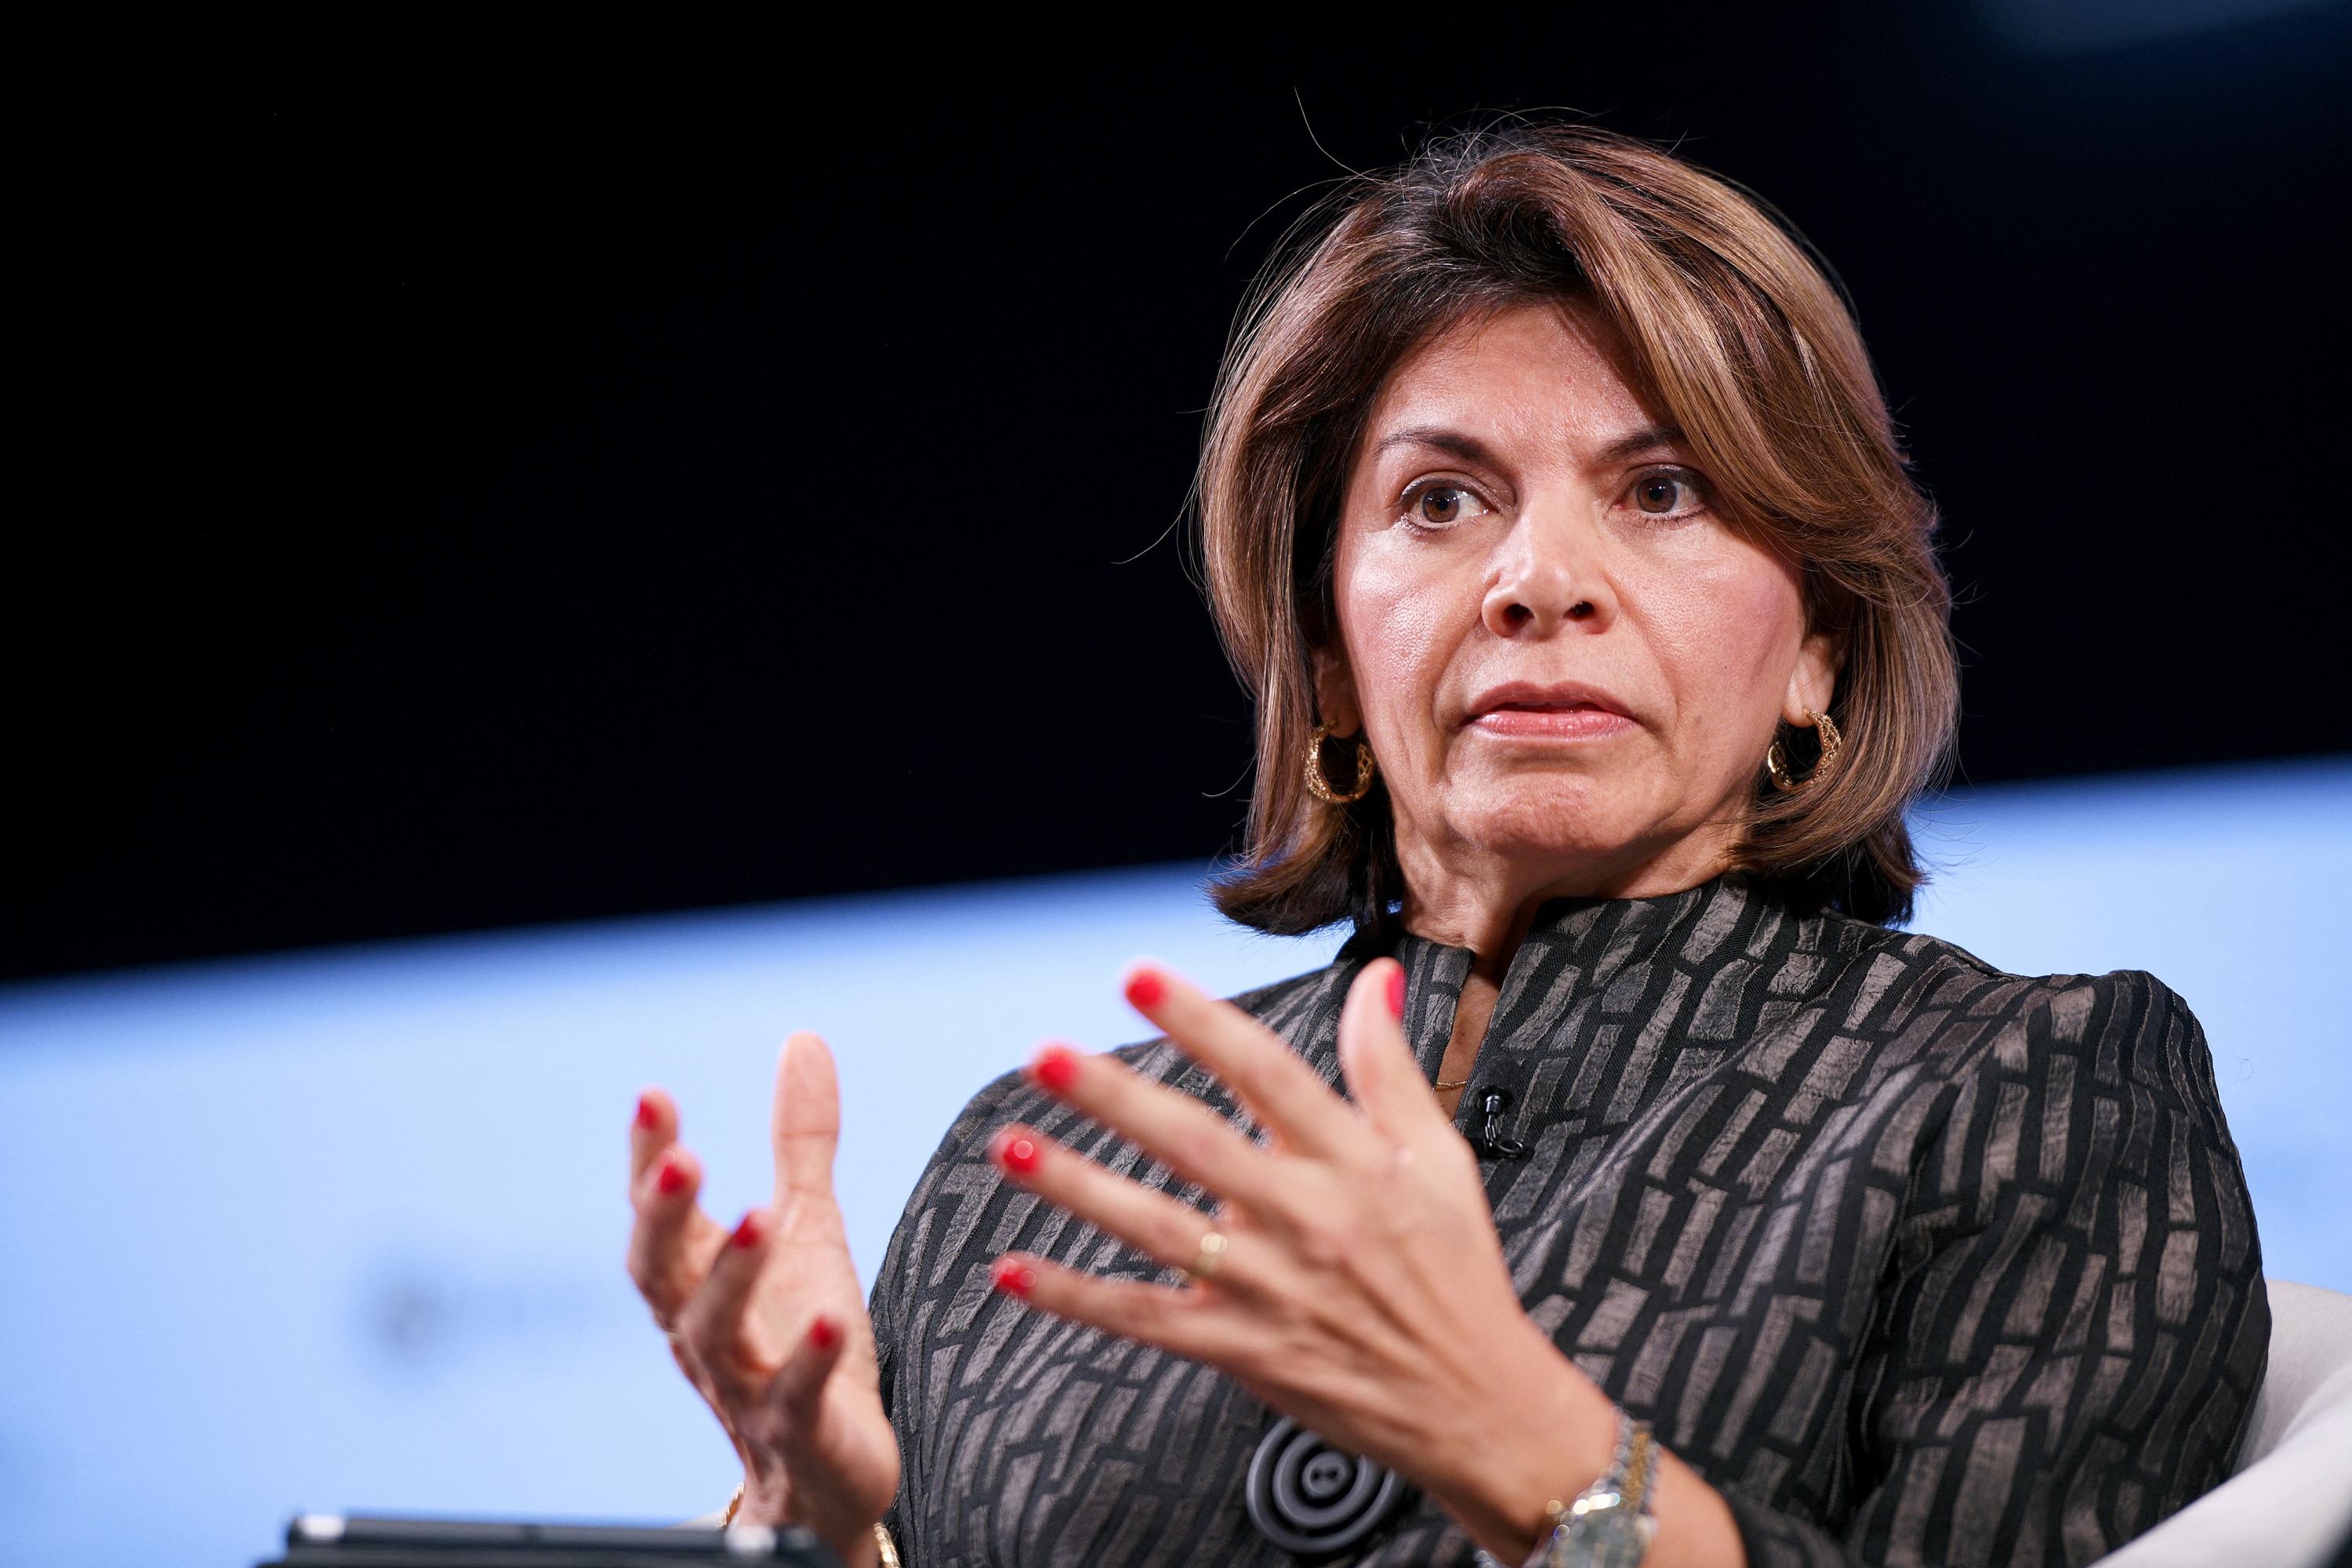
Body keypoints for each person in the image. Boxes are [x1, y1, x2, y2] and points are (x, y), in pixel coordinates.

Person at [623, 122, 2268, 1568]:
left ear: (1820, 644)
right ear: (1330, 653)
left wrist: (1525, 1444)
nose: (1537, 579)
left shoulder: (2029, 1091)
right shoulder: (1034, 1178)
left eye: (1666, 490)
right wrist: (815, 1534)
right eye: (1440, 501)